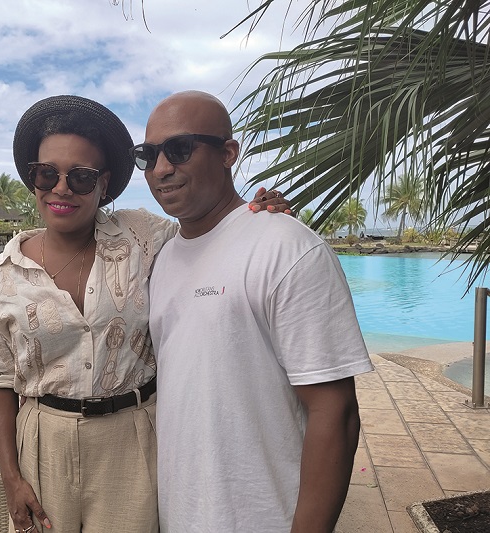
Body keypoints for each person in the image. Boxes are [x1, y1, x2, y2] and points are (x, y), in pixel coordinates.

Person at [0, 95, 289, 533]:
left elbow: (211, 228)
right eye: (47, 173)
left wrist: (259, 217)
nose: (61, 189)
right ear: (34, 179)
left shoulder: (144, 236)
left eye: (81, 177)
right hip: (43, 443)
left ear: (104, 184)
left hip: (131, 438)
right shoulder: (3, 273)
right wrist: (10, 477)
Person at [139, 90, 374, 532]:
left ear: (228, 153)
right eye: (148, 155)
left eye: (179, 149)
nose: (161, 168)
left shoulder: (286, 247)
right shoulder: (164, 256)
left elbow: (336, 413)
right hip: (182, 515)